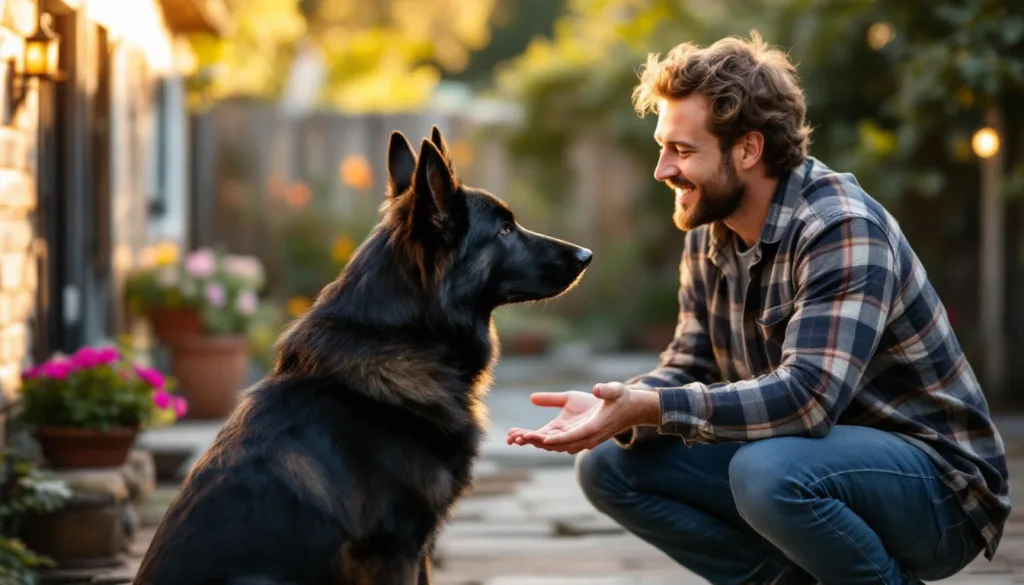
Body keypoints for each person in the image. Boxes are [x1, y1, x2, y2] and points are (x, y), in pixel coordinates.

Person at [507, 31, 1010, 585]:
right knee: (609, 464)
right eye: (661, 147)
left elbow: (807, 400)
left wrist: (651, 408)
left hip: (940, 491)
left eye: (682, 150)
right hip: (815, 465)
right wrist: (619, 406)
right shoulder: (709, 231)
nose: (662, 171)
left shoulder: (841, 229)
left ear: (748, 149)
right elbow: (690, 365)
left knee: (766, 473)